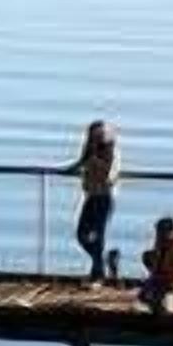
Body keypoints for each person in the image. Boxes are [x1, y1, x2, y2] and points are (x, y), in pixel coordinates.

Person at [68, 120, 121, 281]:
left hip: (105, 197)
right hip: (91, 196)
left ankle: (98, 273)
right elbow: (80, 164)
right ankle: (104, 261)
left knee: (98, 235)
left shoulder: (112, 150)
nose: (94, 138)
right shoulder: (89, 150)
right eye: (92, 134)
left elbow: (109, 175)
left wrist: (93, 160)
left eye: (99, 134)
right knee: (81, 235)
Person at [139, 216, 173, 315]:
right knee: (145, 296)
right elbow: (153, 265)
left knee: (164, 300)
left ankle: (172, 303)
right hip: (158, 280)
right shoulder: (157, 249)